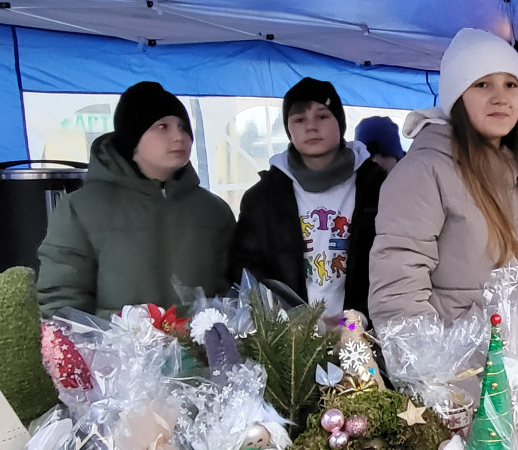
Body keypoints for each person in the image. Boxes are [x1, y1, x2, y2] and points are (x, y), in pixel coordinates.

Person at [369, 28, 518, 324]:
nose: (501, 98)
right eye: (482, 84)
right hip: (461, 367)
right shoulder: (424, 171)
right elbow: (398, 287)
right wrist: (431, 362)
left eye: (511, 84)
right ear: (457, 95)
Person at [37, 81, 234, 318]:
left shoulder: (214, 211)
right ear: (132, 137)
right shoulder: (80, 209)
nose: (179, 137)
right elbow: (61, 301)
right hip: (109, 354)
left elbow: (232, 294)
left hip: (201, 353)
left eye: (183, 127)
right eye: (163, 126)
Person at [230, 78, 386, 319]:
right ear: (288, 129)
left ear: (340, 123)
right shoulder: (262, 198)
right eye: (299, 119)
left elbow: (395, 260)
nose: (311, 127)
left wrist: (359, 320)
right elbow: (247, 271)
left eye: (322, 116)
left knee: (353, 345)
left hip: (360, 330)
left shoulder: (378, 188)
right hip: (289, 341)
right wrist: (283, 323)